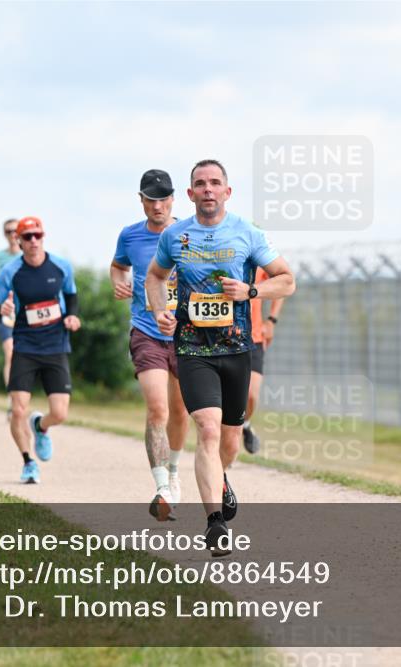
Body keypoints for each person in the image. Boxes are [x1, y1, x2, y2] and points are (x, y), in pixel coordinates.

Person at [146, 159, 295, 556]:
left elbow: (287, 279)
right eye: (200, 184)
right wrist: (160, 311)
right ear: (190, 194)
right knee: (207, 430)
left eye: (215, 183)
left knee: (228, 437)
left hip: (237, 349)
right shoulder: (175, 236)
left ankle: (221, 479)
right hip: (193, 348)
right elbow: (156, 276)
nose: (208, 189)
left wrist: (250, 292)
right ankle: (215, 523)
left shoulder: (248, 233)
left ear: (227, 192)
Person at [111, 169, 189, 521]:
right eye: (150, 199)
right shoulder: (130, 236)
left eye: (163, 198)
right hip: (146, 331)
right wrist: (120, 282)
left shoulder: (189, 234)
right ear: (141, 200)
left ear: (173, 199)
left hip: (186, 334)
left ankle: (173, 468)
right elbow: (117, 266)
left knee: (181, 410)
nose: (157, 205)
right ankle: (161, 486)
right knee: (158, 409)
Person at [0, 217, 80, 484]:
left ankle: (41, 426)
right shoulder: (10, 271)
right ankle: (28, 462)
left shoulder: (61, 266)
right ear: (18, 240)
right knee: (18, 410)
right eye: (27, 237)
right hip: (25, 345)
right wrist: (0, 309)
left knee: (60, 413)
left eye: (37, 235)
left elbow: (71, 296)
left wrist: (72, 317)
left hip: (55, 345)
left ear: (44, 236)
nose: (33, 241)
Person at [243, 266, 286, 453]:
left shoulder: (258, 258)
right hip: (223, 340)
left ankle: (245, 425)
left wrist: (271, 320)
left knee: (251, 395)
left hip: (254, 338)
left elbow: (282, 284)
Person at [0, 218, 22, 418]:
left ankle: (21, 395)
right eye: (8, 231)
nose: (12, 234)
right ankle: (12, 399)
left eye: (16, 231)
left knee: (23, 353)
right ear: (4, 234)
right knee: (10, 352)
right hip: (6, 311)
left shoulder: (29, 255)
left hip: (26, 310)